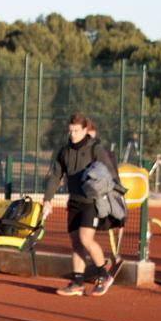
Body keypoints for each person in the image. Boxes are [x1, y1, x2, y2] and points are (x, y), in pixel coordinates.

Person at [41, 114, 123, 296]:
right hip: (74, 202)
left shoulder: (95, 150)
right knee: (76, 242)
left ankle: (104, 275)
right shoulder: (65, 151)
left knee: (85, 238)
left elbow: (111, 175)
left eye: (76, 131)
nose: (72, 134)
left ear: (85, 130)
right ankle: (78, 282)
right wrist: (47, 199)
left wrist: (103, 186)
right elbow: (56, 176)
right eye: (70, 131)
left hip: (91, 203)